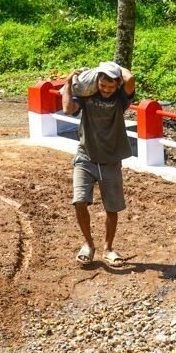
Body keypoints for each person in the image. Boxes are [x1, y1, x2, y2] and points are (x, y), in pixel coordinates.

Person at [61, 61, 136, 267]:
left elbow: (129, 79)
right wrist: (68, 82)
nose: (106, 90)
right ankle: (88, 244)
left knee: (111, 208)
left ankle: (108, 248)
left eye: (111, 87)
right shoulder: (87, 95)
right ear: (97, 82)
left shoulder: (121, 99)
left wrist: (113, 67)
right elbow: (67, 109)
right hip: (85, 157)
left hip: (111, 160)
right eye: (103, 85)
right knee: (79, 201)